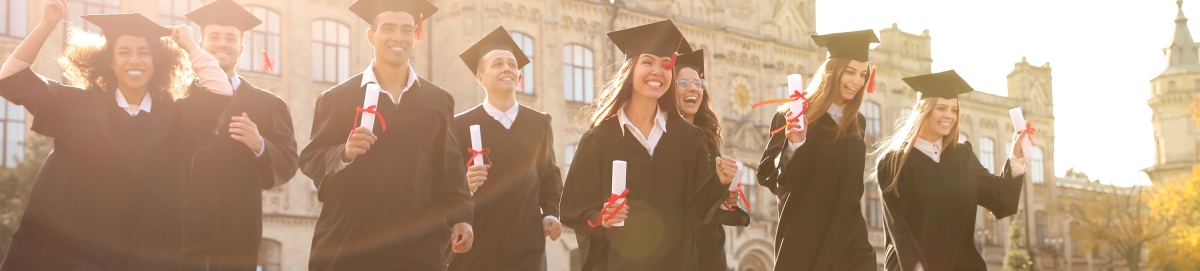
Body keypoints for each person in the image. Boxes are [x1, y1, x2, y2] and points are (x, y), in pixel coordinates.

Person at [0, 2, 234, 269]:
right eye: (124, 52)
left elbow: (220, 92)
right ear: (110, 62)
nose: (134, 60)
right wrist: (48, 23)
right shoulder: (77, 106)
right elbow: (11, 78)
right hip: (73, 256)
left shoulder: (177, 120)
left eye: (144, 53)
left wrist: (191, 46)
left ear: (156, 62)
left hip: (147, 259)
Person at [298, 0, 474, 270]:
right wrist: (343, 152)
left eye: (407, 29)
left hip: (418, 242)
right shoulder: (338, 98)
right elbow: (311, 158)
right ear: (371, 36)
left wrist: (461, 216)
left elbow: (449, 170)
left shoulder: (438, 101)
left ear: (416, 36)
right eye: (388, 28)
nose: (398, 37)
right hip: (352, 239)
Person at [559, 19, 732, 271]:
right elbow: (573, 209)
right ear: (630, 69)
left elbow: (697, 211)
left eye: (665, 64)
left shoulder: (688, 137)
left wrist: (719, 182)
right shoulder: (600, 139)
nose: (657, 71)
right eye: (647, 62)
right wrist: (601, 218)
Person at [179, 0, 300, 270]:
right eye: (214, 37)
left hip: (239, 230)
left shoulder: (268, 104)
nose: (222, 43)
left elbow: (290, 162)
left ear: (241, 49)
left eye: (230, 38)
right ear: (200, 44)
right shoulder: (178, 98)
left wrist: (260, 145)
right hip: (183, 229)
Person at [873, 70, 1028, 270]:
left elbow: (1000, 199)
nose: (949, 116)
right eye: (941, 108)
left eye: (954, 109)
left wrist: (1016, 156)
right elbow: (899, 229)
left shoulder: (962, 156)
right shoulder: (893, 163)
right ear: (924, 110)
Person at [756, 29, 879, 270]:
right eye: (850, 71)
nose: (857, 81)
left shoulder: (857, 123)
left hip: (850, 240)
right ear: (833, 70)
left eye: (863, 74)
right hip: (805, 239)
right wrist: (794, 145)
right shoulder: (793, 116)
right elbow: (769, 177)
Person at [448, 25, 564, 271]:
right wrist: (464, 183)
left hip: (527, 245)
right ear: (481, 78)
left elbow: (550, 176)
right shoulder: (460, 125)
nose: (508, 68)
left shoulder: (539, 123)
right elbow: (444, 185)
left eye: (512, 64)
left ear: (519, 78)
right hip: (476, 244)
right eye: (498, 64)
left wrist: (551, 214)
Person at [672, 49, 748, 271]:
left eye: (698, 82)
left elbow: (705, 200)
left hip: (709, 248)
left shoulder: (708, 138)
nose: (693, 87)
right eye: (683, 82)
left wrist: (724, 197)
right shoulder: (661, 137)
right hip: (676, 245)